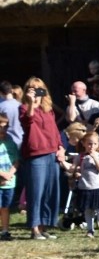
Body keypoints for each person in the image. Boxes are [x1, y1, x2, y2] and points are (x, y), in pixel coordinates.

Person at [19, 78, 63, 240]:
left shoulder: (48, 109)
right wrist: (31, 103)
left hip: (52, 153)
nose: (35, 91)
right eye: (31, 88)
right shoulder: (23, 108)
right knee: (35, 193)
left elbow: (55, 130)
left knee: (49, 192)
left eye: (38, 88)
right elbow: (27, 121)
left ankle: (44, 226)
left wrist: (61, 147)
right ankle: (34, 228)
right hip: (35, 155)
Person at [72, 131, 99, 238]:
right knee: (88, 210)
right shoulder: (80, 157)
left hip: (98, 187)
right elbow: (74, 168)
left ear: (98, 144)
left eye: (95, 144)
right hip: (85, 187)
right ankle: (90, 230)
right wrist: (75, 172)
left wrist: (94, 157)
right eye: (89, 144)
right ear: (84, 143)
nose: (92, 146)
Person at [0, 113, 18, 240]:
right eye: (1, 127)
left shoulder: (11, 143)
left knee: (5, 207)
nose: (3, 130)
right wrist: (3, 174)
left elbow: (17, 161)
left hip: (9, 182)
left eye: (6, 127)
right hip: (2, 179)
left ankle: (5, 230)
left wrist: (10, 174)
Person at [0, 81, 23, 147]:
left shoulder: (1, 106)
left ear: (1, 93)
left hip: (6, 142)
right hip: (20, 140)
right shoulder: (20, 105)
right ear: (11, 90)